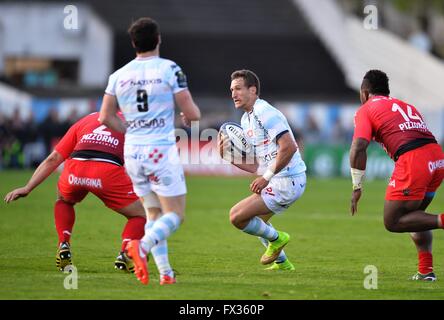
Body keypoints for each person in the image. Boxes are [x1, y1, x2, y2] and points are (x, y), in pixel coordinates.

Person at [99, 17, 201, 285]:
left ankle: (166, 274)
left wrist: (132, 130)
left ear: (134, 43)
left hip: (132, 151)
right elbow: (192, 113)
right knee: (175, 214)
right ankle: (140, 248)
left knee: (153, 214)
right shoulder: (169, 69)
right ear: (158, 39)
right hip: (160, 150)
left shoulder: (118, 75)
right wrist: (187, 115)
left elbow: (105, 117)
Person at [4, 112, 147, 275]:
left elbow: (54, 158)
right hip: (107, 172)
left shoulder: (88, 118)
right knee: (141, 214)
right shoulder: (134, 123)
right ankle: (126, 253)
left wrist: (28, 187)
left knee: (63, 200)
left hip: (75, 169)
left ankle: (63, 244)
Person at [349, 69, 444, 281]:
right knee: (416, 218)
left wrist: (357, 186)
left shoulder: (366, 109)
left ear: (364, 93)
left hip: (413, 160)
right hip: (436, 158)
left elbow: (358, 146)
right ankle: (426, 271)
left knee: (393, 221)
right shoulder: (405, 105)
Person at [218, 69, 307, 270]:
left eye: (238, 89)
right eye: (232, 89)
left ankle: (278, 239)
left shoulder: (264, 112)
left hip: (288, 179)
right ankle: (283, 264)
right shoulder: (246, 119)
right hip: (281, 179)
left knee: (237, 217)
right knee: (258, 223)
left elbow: (290, 146)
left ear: (253, 90)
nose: (233, 94)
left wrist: (266, 178)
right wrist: (227, 157)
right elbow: (257, 165)